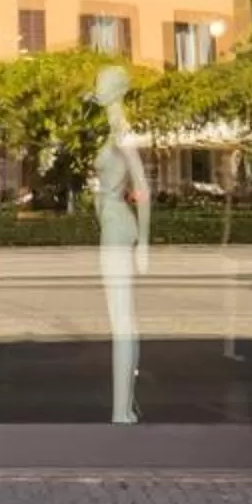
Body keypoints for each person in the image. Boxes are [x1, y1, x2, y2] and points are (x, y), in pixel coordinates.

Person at [91, 65, 151, 424]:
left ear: (116, 89)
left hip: (117, 226)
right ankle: (125, 406)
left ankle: (120, 412)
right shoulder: (114, 129)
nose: (96, 88)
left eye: (101, 82)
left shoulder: (121, 130)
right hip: (113, 223)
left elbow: (142, 186)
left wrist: (144, 242)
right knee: (126, 320)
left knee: (121, 321)